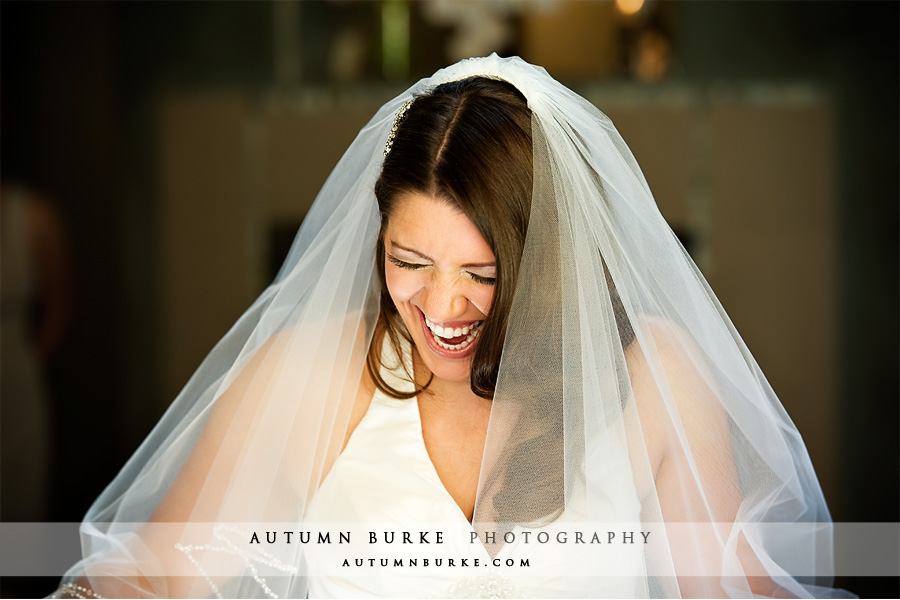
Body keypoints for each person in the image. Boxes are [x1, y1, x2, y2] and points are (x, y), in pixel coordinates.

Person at [53, 55, 846, 599]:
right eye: (410, 259)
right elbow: (153, 576)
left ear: (550, 258)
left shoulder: (654, 376)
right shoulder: (315, 372)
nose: (442, 306)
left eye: (483, 273)